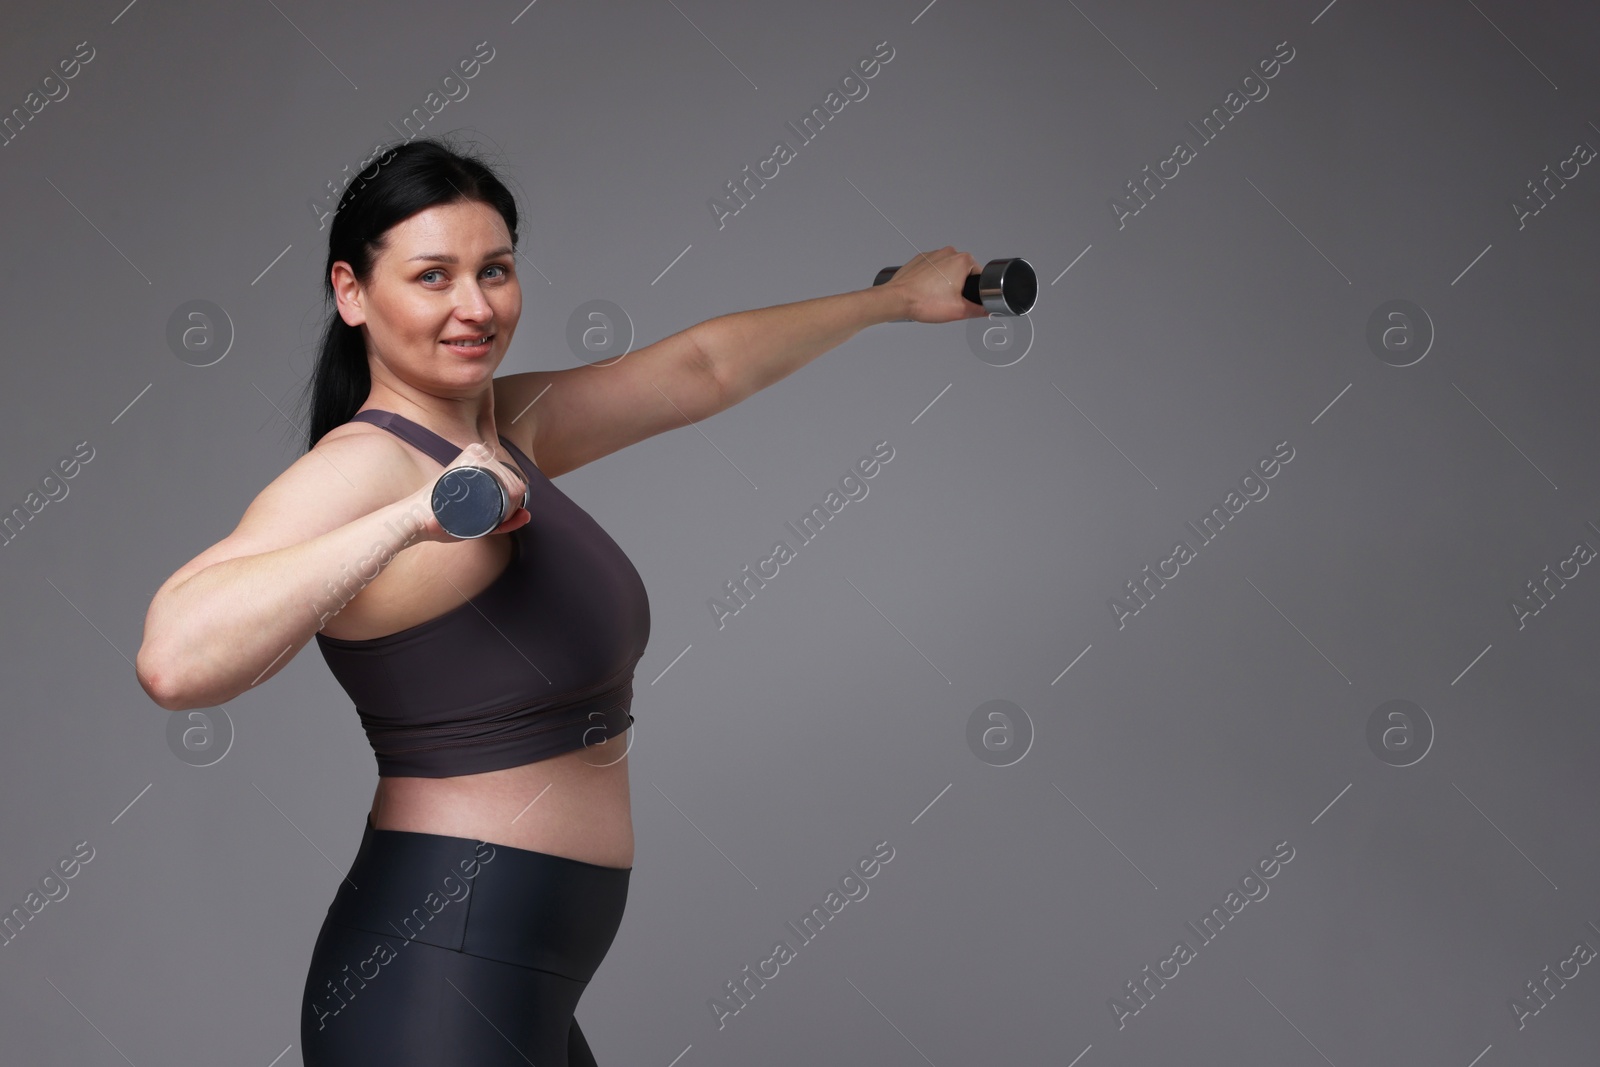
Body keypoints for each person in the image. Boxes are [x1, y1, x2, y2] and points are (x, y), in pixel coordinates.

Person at [134, 136, 986, 1065]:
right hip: (433, 968)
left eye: (493, 270)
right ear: (351, 293)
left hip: (511, 974)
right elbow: (176, 659)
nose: (475, 306)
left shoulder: (508, 426)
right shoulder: (366, 465)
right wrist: (414, 517)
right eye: (432, 276)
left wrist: (894, 300)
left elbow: (701, 370)